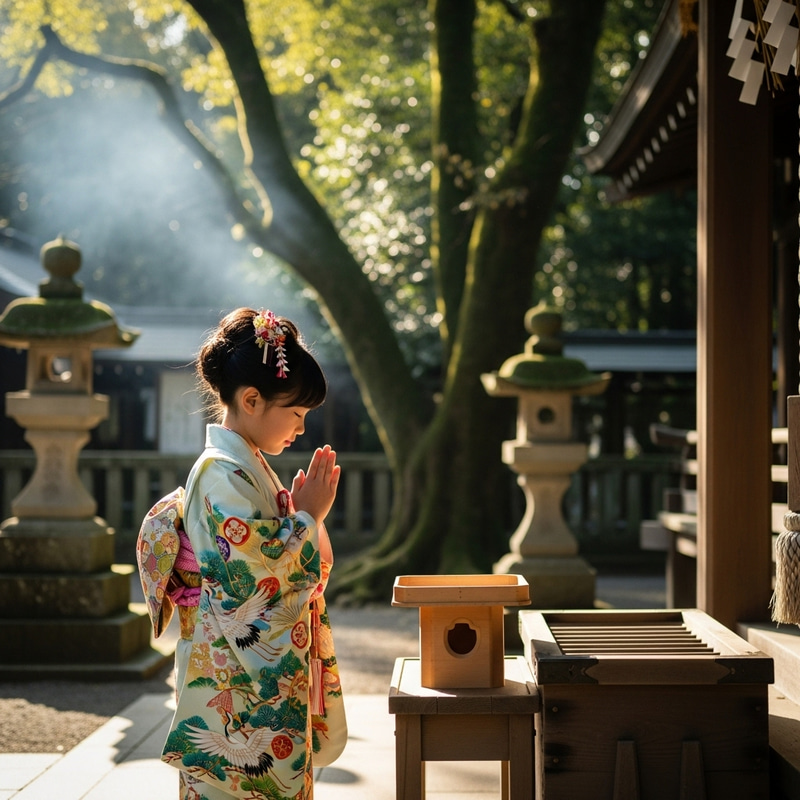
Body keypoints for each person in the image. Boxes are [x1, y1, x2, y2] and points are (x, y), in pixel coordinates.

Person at [138, 307, 345, 800]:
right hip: (228, 673)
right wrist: (306, 518)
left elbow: (274, 561)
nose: (301, 428)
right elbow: (249, 580)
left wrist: (303, 519)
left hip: (232, 661)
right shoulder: (220, 473)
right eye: (296, 414)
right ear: (252, 400)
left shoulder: (242, 467)